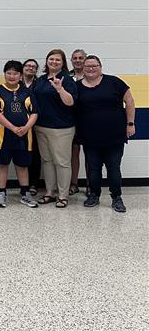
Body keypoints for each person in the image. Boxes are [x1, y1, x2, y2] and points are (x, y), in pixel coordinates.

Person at [76, 55, 135, 213]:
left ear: (100, 67)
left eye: (94, 66)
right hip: (89, 136)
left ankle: (116, 197)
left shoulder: (114, 82)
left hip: (114, 135)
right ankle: (94, 195)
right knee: (93, 169)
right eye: (87, 66)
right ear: (83, 68)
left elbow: (129, 100)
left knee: (113, 168)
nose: (90, 68)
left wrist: (130, 123)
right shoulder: (77, 86)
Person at [0, 61, 39, 209]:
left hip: (24, 136)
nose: (12, 76)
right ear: (4, 74)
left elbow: (34, 112)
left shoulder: (27, 92)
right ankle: (1, 193)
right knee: (2, 165)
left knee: (22, 166)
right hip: (3, 136)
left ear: (21, 75)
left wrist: (25, 128)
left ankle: (25, 194)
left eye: (15, 73)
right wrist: (12, 127)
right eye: (9, 73)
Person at [34, 49, 78, 208]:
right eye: (51, 59)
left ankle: (63, 195)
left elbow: (70, 102)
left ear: (63, 63)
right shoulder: (41, 80)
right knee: (47, 161)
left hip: (61, 129)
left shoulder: (67, 79)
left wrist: (60, 89)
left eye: (57, 60)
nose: (54, 62)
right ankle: (49, 192)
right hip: (41, 127)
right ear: (46, 61)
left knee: (62, 162)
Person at [22, 58, 41, 195]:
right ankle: (24, 183)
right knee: (21, 153)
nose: (30, 68)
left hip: (36, 123)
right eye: (27, 65)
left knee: (35, 154)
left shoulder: (40, 84)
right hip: (19, 124)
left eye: (33, 66)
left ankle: (33, 183)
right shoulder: (15, 83)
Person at [69, 48, 88, 196]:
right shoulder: (67, 77)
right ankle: (73, 183)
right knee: (73, 153)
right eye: (75, 58)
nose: (78, 60)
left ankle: (90, 184)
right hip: (71, 120)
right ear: (71, 60)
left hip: (88, 120)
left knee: (90, 154)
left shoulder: (92, 76)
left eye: (81, 58)